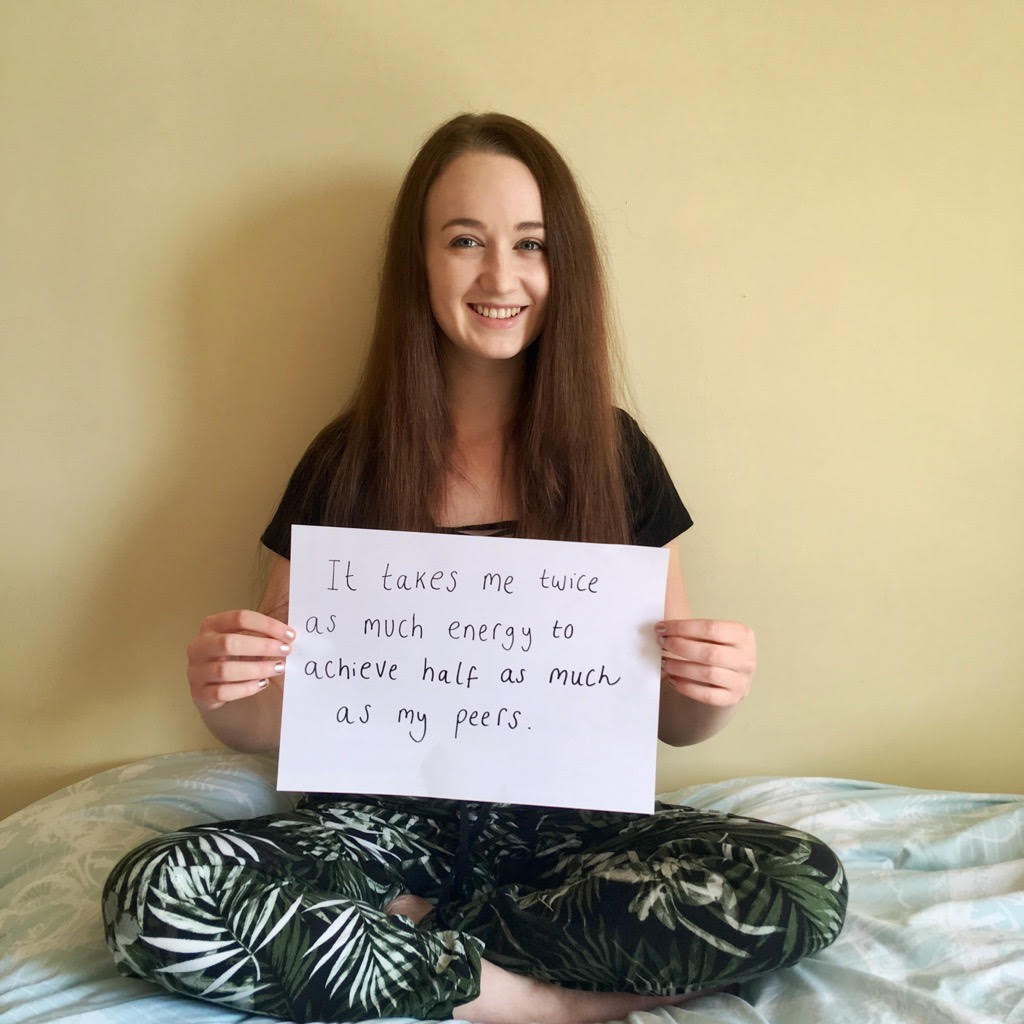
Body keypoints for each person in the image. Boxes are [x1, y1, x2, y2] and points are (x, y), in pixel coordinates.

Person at [102, 113, 847, 1023]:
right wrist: (228, 693)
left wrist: (712, 689)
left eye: (531, 244)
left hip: (562, 837)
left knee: (801, 885)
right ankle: (546, 1002)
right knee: (155, 893)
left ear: (562, 265)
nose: (501, 277)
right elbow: (270, 723)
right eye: (465, 241)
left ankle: (406, 942)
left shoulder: (615, 455)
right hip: (378, 826)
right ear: (418, 262)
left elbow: (674, 722)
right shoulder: (346, 461)